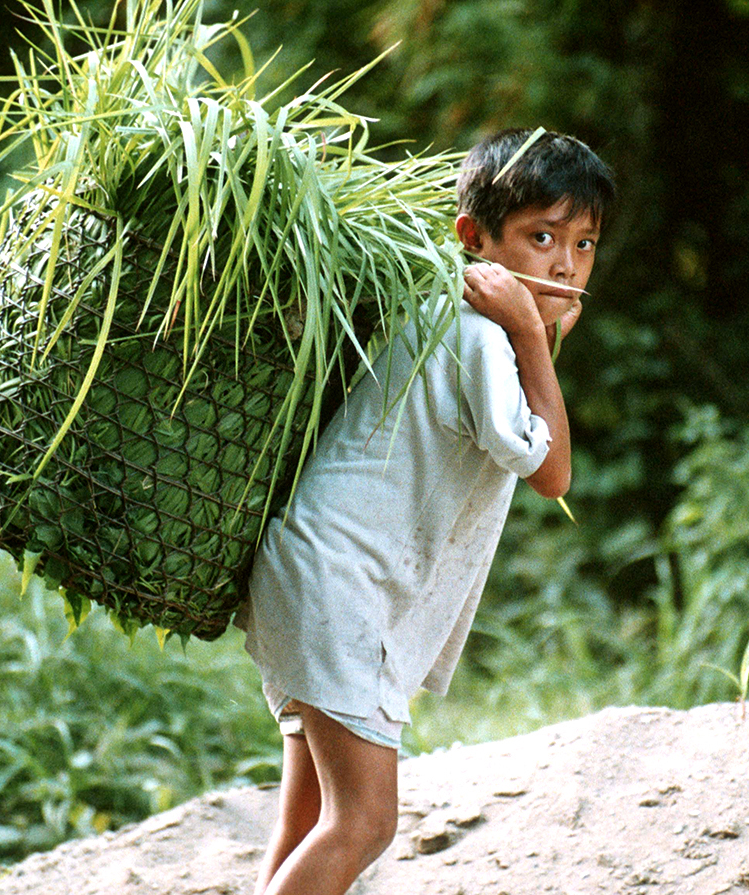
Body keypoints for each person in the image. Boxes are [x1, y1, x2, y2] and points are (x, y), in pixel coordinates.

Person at [235, 129, 616, 895]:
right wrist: (534, 340)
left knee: (311, 811)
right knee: (365, 821)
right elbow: (554, 472)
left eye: (583, 242)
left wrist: (534, 330)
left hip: (317, 576)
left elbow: (521, 423)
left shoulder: (472, 322)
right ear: (473, 239)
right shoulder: (481, 333)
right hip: (340, 589)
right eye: (540, 237)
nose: (565, 263)